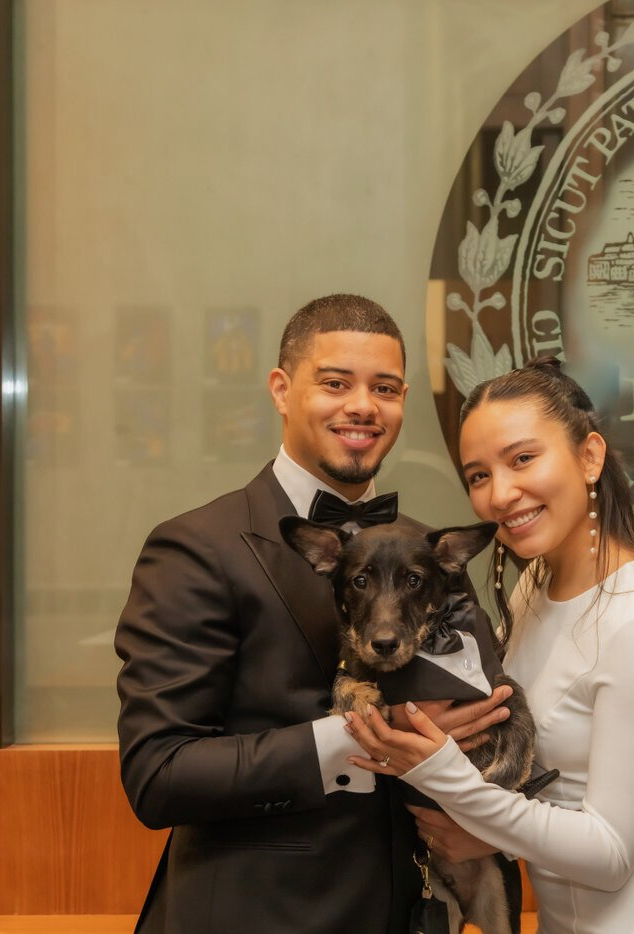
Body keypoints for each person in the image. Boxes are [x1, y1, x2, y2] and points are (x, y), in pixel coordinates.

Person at [114, 294, 512, 934]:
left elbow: (476, 717)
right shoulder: (195, 548)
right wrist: (362, 737)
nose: (362, 405)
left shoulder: (429, 550)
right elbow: (160, 774)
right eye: (335, 383)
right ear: (281, 389)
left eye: (384, 387)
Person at [345, 356, 634, 933]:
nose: (501, 494)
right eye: (479, 475)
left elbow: (610, 856)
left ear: (590, 456)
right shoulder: (536, 585)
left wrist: (447, 781)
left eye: (522, 459)